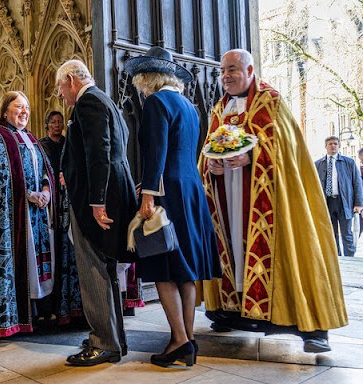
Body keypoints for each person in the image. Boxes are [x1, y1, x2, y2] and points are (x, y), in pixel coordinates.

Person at [200, 49, 348, 353]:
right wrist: (211, 165)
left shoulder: (272, 103)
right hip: (228, 196)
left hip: (267, 197)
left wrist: (251, 155)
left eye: (232, 70)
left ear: (250, 70)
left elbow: (286, 154)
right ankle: (230, 309)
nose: (225, 77)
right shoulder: (219, 108)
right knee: (233, 249)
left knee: (287, 249)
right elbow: (208, 148)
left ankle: (309, 325)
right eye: (222, 72)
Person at [124, 47, 221, 367]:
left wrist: (148, 194)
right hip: (191, 189)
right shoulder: (189, 106)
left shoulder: (156, 103)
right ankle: (188, 339)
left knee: (164, 268)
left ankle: (178, 340)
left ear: (148, 78)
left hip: (168, 192)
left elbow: (156, 151)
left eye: (140, 80)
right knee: (186, 271)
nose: (138, 86)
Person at [57, 60, 137, 366]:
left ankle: (103, 341)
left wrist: (97, 201)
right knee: (106, 269)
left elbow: (99, 152)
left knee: (93, 268)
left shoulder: (87, 102)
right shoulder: (106, 100)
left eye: (61, 87)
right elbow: (121, 140)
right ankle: (114, 340)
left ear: (72, 81)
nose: (61, 95)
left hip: (97, 200)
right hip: (113, 191)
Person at [0, 91, 55, 342]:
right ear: (5, 110)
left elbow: (45, 168)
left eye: (27, 107)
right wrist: (27, 194)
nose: (24, 111)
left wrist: (46, 190)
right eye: (19, 107)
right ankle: (6, 319)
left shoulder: (30, 138)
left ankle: (33, 313)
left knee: (35, 266)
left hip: (35, 214)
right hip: (7, 218)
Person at [39, 111, 83, 324]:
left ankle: (68, 304)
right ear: (47, 125)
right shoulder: (41, 145)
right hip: (49, 204)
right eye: (53, 122)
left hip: (67, 201)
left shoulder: (68, 143)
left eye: (59, 122)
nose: (57, 125)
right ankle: (47, 305)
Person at [315, 136, 363, 256]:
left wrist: (358, 203)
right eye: (330, 144)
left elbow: (357, 183)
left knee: (346, 233)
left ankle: (349, 257)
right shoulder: (318, 164)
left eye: (336, 144)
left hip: (344, 202)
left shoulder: (349, 162)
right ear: (325, 146)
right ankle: (337, 258)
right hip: (327, 202)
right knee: (331, 233)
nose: (333, 146)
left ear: (339, 146)